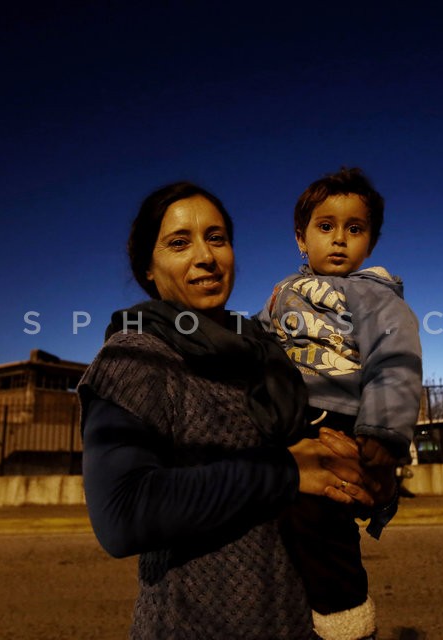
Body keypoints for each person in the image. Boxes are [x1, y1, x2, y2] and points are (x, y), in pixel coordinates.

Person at [78, 181, 378, 640]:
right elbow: (121, 513)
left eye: (217, 238)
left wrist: (366, 473)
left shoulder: (269, 348)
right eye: (180, 243)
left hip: (301, 623)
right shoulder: (135, 358)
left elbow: (320, 459)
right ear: (149, 269)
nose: (206, 256)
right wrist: (284, 473)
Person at [259, 167, 423, 640]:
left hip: (339, 418)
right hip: (284, 422)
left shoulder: (377, 296)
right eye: (325, 226)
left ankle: (347, 622)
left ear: (370, 242)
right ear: (300, 238)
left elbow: (395, 361)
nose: (339, 240)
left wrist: (383, 432)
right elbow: (256, 343)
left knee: (320, 517)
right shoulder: (282, 293)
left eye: (355, 229)